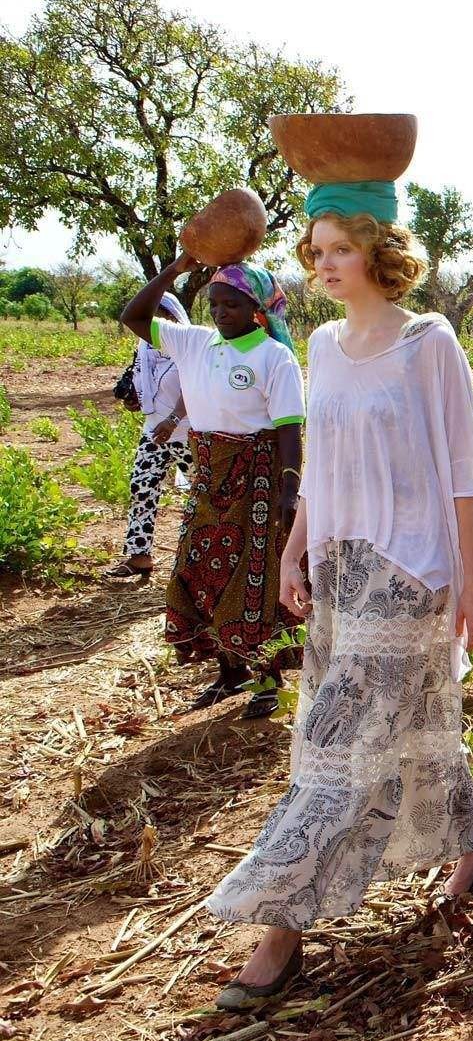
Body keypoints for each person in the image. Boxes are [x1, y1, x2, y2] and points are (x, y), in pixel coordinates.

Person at [205, 184, 473, 1011]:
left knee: (338, 746)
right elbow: (321, 469)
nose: (322, 264)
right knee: (411, 725)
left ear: (377, 250)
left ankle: (279, 930)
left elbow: (465, 470)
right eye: (315, 250)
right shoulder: (323, 346)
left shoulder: (428, 341)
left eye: (338, 248)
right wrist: (295, 554)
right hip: (339, 568)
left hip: (410, 570)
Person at [118, 258, 304, 717]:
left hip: (258, 477)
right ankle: (229, 671)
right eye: (215, 304)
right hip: (208, 475)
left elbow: (288, 431)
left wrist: (288, 492)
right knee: (201, 571)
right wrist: (176, 270)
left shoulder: (273, 356)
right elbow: (134, 317)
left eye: (232, 304)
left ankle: (266, 678)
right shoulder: (195, 342)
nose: (221, 313)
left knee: (253, 579)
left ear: (256, 309)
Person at [106, 294, 192, 581]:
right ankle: (139, 557)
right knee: (142, 486)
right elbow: (143, 385)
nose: (157, 323)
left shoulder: (188, 347)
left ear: (174, 318)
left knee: (202, 496)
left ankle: (195, 560)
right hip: (155, 432)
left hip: (188, 433)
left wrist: (173, 419)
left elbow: (196, 390)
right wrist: (135, 400)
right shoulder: (145, 348)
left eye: (163, 316)